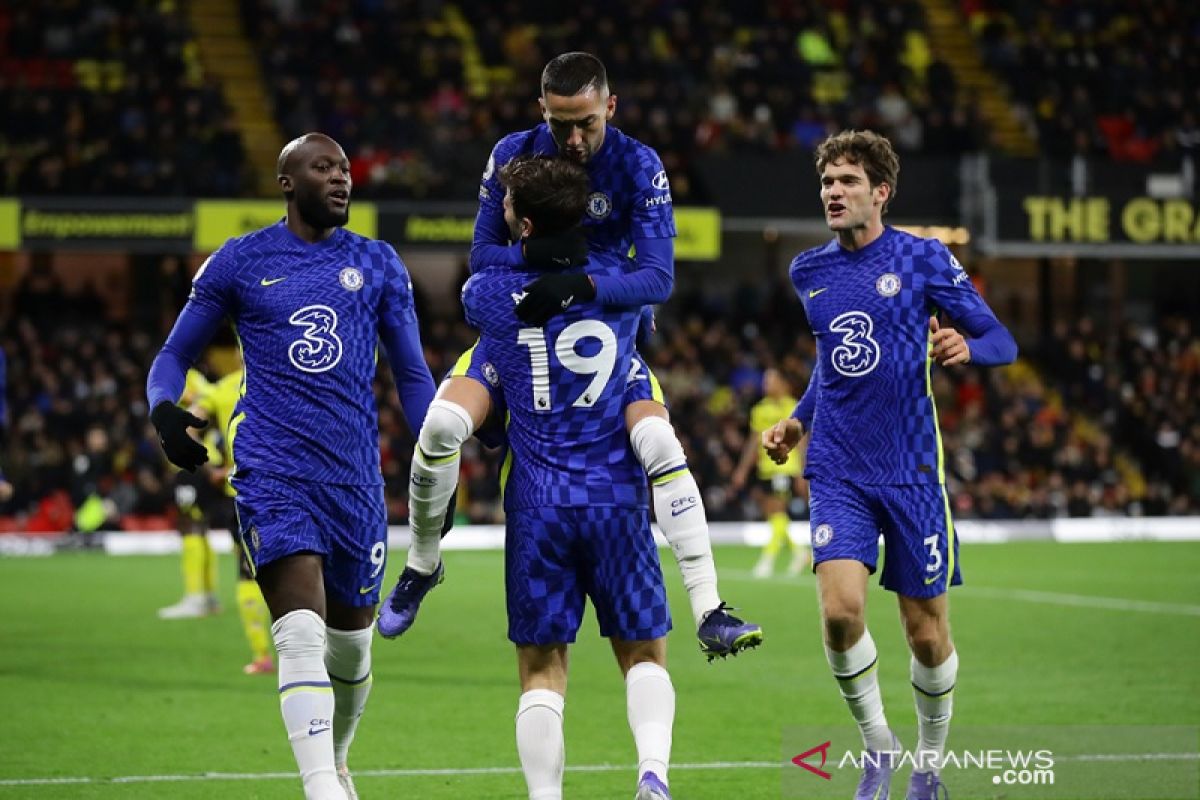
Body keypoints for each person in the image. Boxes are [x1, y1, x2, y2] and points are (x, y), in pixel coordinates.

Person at [379, 52, 761, 660]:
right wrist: (548, 265)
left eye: (586, 121)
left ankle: (711, 608)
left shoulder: (638, 164)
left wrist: (582, 285)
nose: (575, 138)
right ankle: (423, 565)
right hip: (519, 331)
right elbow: (481, 255)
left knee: (661, 445)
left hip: (600, 344)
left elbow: (659, 279)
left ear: (610, 106)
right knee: (441, 426)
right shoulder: (511, 153)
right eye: (562, 124)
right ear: (542, 110)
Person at [146, 132, 436, 800]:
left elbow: (413, 375)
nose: (340, 179)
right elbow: (171, 356)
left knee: (352, 649)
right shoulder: (240, 262)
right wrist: (164, 410)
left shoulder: (379, 263)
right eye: (322, 168)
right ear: (286, 181)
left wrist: (434, 455)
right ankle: (320, 790)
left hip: (356, 480)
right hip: (272, 470)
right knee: (299, 634)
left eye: (343, 169)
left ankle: (335, 760)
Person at [761, 130, 1017, 800]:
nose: (832, 193)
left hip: (911, 472)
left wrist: (968, 348)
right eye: (826, 183)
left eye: (846, 181)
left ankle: (930, 765)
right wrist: (799, 419)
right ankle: (879, 745)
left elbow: (1001, 339)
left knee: (926, 633)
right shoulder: (808, 271)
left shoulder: (924, 258)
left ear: (881, 191)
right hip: (838, 466)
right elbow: (833, 360)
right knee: (841, 612)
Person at [467, 154, 676, 800]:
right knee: (642, 652)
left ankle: (545, 797)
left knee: (540, 670)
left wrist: (520, 259)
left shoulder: (487, 296)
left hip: (537, 499)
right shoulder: (617, 281)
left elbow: (482, 265)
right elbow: (653, 283)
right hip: (615, 491)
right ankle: (652, 775)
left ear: (522, 222)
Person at [194, 364, 277, 675]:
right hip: (286, 489)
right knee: (299, 569)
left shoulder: (220, 389)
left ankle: (261, 655)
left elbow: (185, 427)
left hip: (240, 493)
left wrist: (211, 465)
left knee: (248, 574)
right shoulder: (283, 376)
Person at [732, 367, 811, 578]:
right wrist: (742, 469)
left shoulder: (794, 406)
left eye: (771, 380)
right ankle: (800, 552)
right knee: (774, 515)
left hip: (786, 466)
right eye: (765, 381)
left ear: (783, 383)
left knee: (777, 511)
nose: (766, 385)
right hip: (765, 469)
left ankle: (767, 560)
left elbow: (802, 442)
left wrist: (804, 470)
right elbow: (753, 442)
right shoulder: (759, 409)